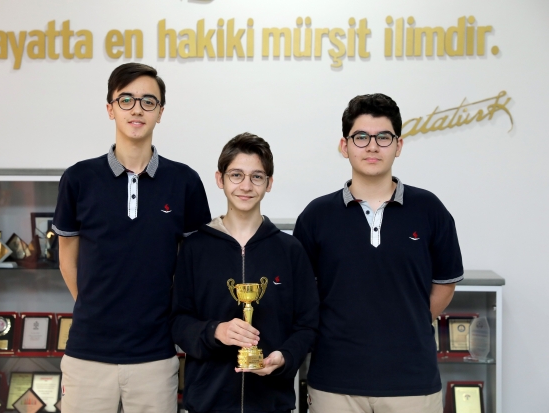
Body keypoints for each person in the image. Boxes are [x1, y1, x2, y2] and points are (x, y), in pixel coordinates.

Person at [52, 63, 211, 413]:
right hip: (87, 356)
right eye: (126, 100)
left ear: (160, 112)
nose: (137, 109)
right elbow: (67, 260)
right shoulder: (79, 179)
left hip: (155, 356)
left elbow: (194, 267)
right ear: (110, 109)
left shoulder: (184, 182)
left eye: (148, 101)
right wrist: (95, 308)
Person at [293, 94, 463, 413]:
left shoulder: (430, 210)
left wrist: (407, 322)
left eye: (383, 137)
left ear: (398, 145)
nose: (372, 146)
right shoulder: (316, 216)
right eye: (361, 137)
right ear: (344, 146)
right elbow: (303, 295)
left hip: (412, 383)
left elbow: (445, 284)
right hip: (334, 382)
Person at [171, 133, 319, 413]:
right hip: (207, 404)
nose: (246, 186)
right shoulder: (194, 248)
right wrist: (216, 331)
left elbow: (308, 325)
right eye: (236, 175)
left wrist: (284, 357)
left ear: (269, 183)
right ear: (220, 179)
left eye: (257, 177)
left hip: (272, 404)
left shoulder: (290, 250)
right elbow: (178, 322)